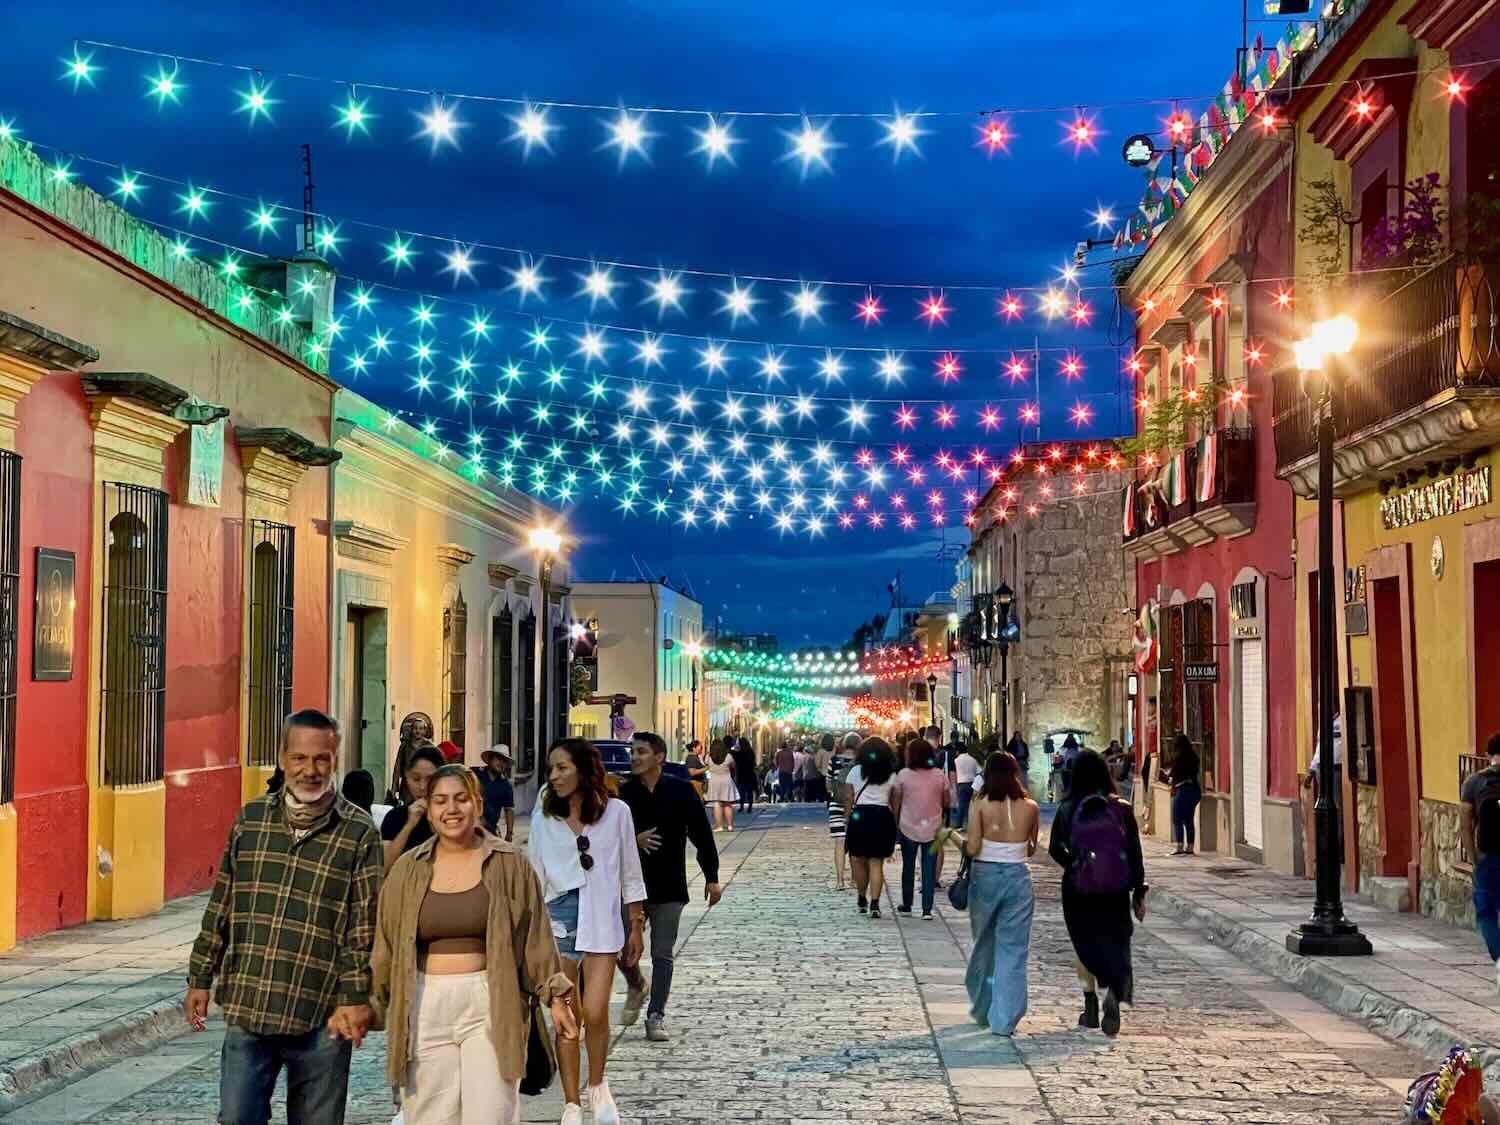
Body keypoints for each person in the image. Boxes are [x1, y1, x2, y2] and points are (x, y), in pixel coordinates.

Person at [186, 710, 382, 1125]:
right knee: (237, 1117)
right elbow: (223, 902)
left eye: (321, 759)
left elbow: (362, 928)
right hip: (250, 1001)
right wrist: (200, 977)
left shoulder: (358, 832)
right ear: (282, 757)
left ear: (335, 757)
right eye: (299, 758)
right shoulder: (251, 821)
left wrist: (355, 998)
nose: (310, 770)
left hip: (323, 1013)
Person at [373, 764, 577, 1125]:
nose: (451, 809)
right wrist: (369, 1004)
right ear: (429, 808)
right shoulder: (408, 869)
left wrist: (556, 997)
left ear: (478, 804)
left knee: (491, 1113)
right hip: (424, 1003)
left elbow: (536, 937)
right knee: (430, 1116)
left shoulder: (510, 864)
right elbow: (385, 945)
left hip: (491, 1001)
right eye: (440, 801)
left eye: (461, 799)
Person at [528, 738, 646, 1125]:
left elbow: (629, 869)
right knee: (565, 1014)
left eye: (561, 767)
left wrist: (635, 923)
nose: (554, 776)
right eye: (550, 770)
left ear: (582, 768)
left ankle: (598, 1085)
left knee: (594, 1011)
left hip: (602, 915)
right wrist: (532, 929)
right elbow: (534, 868)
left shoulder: (617, 812)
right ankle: (571, 1103)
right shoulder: (544, 813)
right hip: (558, 916)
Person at [617, 731, 722, 1042]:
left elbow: (701, 833)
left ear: (659, 757)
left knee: (663, 953)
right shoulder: (623, 794)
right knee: (622, 950)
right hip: (630, 887)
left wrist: (712, 876)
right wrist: (633, 840)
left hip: (669, 884)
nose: (634, 757)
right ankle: (637, 984)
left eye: (641, 752)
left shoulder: (681, 792)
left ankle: (656, 1014)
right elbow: (606, 836)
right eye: (633, 752)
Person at [1048, 749, 1148, 1039]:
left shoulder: (1067, 809)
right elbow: (1134, 854)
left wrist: (1076, 865)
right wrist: (1138, 890)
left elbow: (1055, 847)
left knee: (1084, 942)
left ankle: (1090, 1004)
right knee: (1115, 941)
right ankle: (1115, 993)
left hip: (1079, 889)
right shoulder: (1122, 808)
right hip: (1115, 888)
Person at [958, 750, 1039, 1035]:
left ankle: (982, 1006)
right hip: (1018, 877)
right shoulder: (1030, 807)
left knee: (984, 943)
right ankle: (1004, 1019)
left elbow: (972, 847)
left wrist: (953, 836)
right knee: (1014, 950)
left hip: (986, 876)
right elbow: (1031, 848)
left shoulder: (980, 804)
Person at [893, 737, 949, 919]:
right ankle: (927, 908)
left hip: (908, 825)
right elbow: (947, 800)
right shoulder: (939, 775)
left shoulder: (903, 775)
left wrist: (896, 819)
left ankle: (907, 904)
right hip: (933, 827)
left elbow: (897, 801)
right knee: (929, 868)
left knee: (908, 867)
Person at [1461, 732, 1500, 990]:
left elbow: (1465, 824)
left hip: (1488, 857)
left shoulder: (1474, 782)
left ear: (1488, 755)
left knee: (1486, 912)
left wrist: (1474, 859)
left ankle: (1499, 959)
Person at [844, 737, 899, 919]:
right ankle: (875, 904)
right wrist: (894, 819)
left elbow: (848, 799)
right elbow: (895, 800)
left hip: (860, 816)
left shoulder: (855, 771)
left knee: (858, 860)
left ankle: (861, 898)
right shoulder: (891, 775)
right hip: (882, 817)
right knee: (877, 863)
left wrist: (847, 820)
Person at [383, 743, 447, 874]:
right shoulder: (395, 817)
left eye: (430, 779)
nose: (422, 787)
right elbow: (385, 867)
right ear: (407, 778)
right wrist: (409, 825)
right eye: (416, 779)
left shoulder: (452, 815)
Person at [1166, 733, 1202, 856]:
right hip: (1194, 790)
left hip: (1182, 790)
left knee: (1177, 819)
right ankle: (1190, 846)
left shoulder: (1179, 757)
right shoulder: (1194, 757)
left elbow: (1174, 775)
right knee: (1189, 819)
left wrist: (1168, 776)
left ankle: (1179, 846)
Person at [474, 745, 516, 841]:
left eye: (504, 761)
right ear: (490, 759)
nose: (501, 763)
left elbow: (509, 809)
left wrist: (509, 833)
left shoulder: (506, 786)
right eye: (498, 759)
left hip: (490, 833)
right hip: (469, 829)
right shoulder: (475, 774)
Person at [703, 738, 739, 832]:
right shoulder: (728, 756)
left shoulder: (708, 757)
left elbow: (706, 766)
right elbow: (733, 766)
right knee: (728, 804)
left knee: (717, 803)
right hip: (726, 780)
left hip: (714, 781)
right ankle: (730, 826)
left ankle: (719, 826)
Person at [952, 737, 984, 834]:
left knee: (962, 805)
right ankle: (969, 824)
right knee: (971, 805)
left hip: (961, 785)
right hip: (972, 784)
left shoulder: (956, 760)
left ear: (958, 751)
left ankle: (960, 825)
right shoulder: (973, 759)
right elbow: (980, 771)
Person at [732, 736, 758, 814]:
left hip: (741, 774)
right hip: (750, 773)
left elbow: (734, 758)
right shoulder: (751, 752)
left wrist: (734, 748)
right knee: (749, 791)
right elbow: (753, 763)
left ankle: (742, 806)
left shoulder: (739, 753)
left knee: (742, 791)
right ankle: (749, 806)